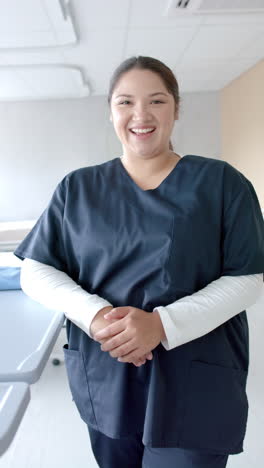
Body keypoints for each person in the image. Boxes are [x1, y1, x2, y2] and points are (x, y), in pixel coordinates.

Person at [14, 56, 264, 468]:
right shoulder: (78, 188)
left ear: (177, 109)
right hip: (108, 373)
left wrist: (161, 325)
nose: (141, 115)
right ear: (110, 111)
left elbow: (247, 278)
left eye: (157, 101)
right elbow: (36, 270)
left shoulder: (222, 183)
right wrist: (96, 317)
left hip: (195, 375)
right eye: (125, 102)